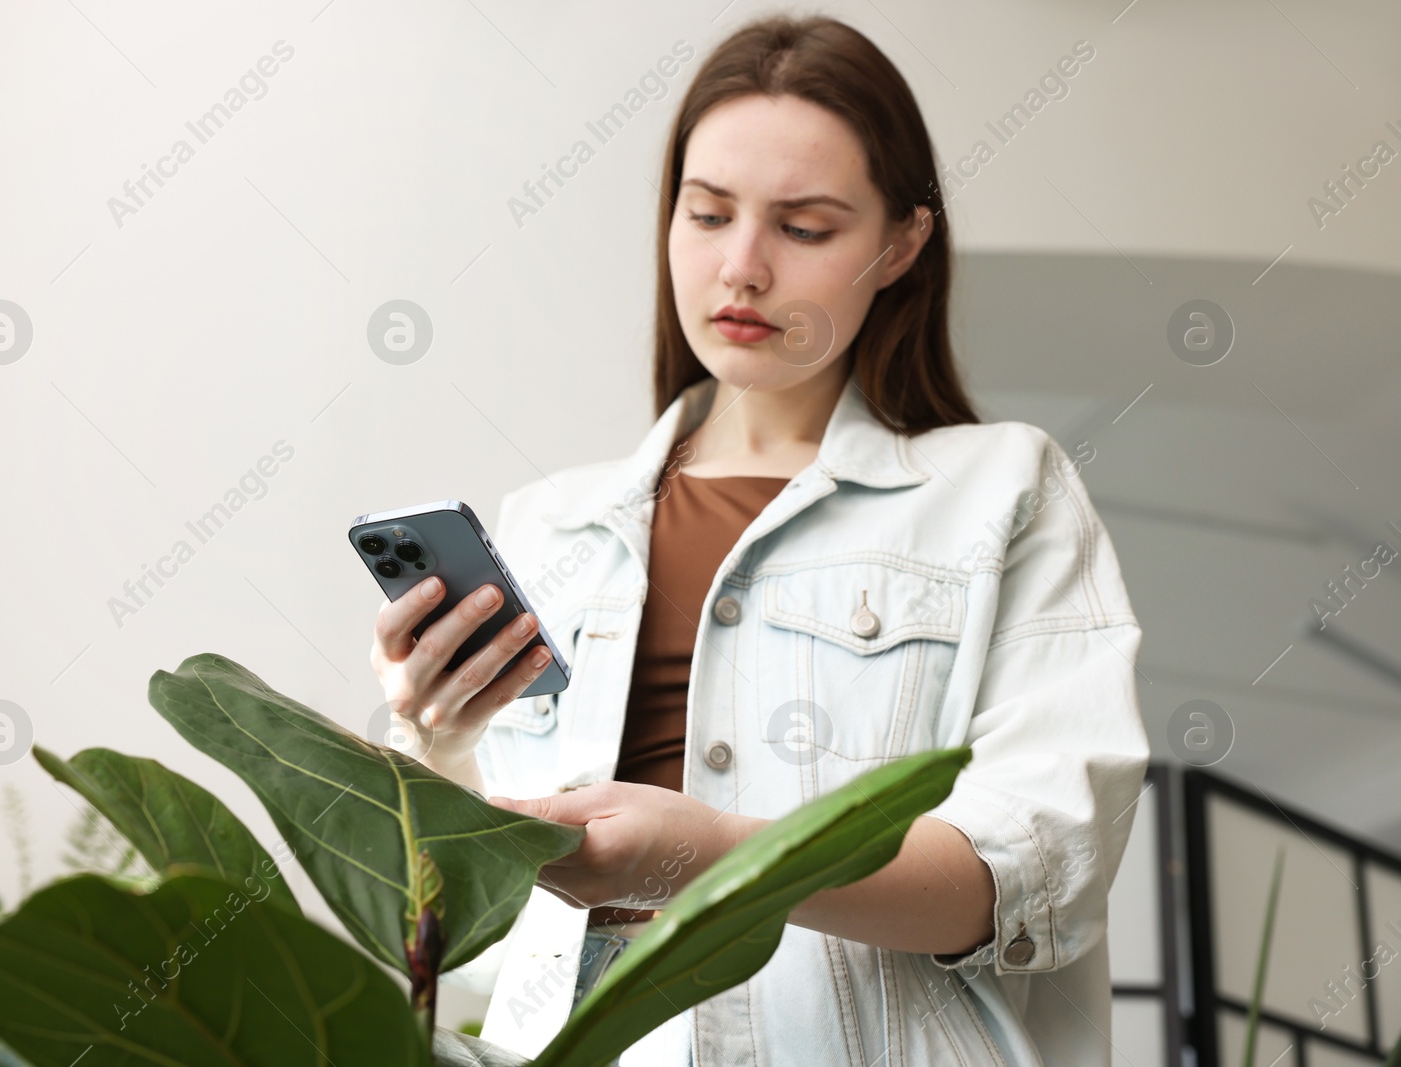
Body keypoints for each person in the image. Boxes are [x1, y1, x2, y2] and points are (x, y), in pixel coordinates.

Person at [368, 13, 1148, 1066]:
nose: (740, 266)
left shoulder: (1001, 489)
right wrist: (438, 740)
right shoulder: (553, 521)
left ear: (901, 244)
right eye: (707, 214)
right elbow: (459, 945)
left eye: (806, 227)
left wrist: (713, 860)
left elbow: (1030, 877)